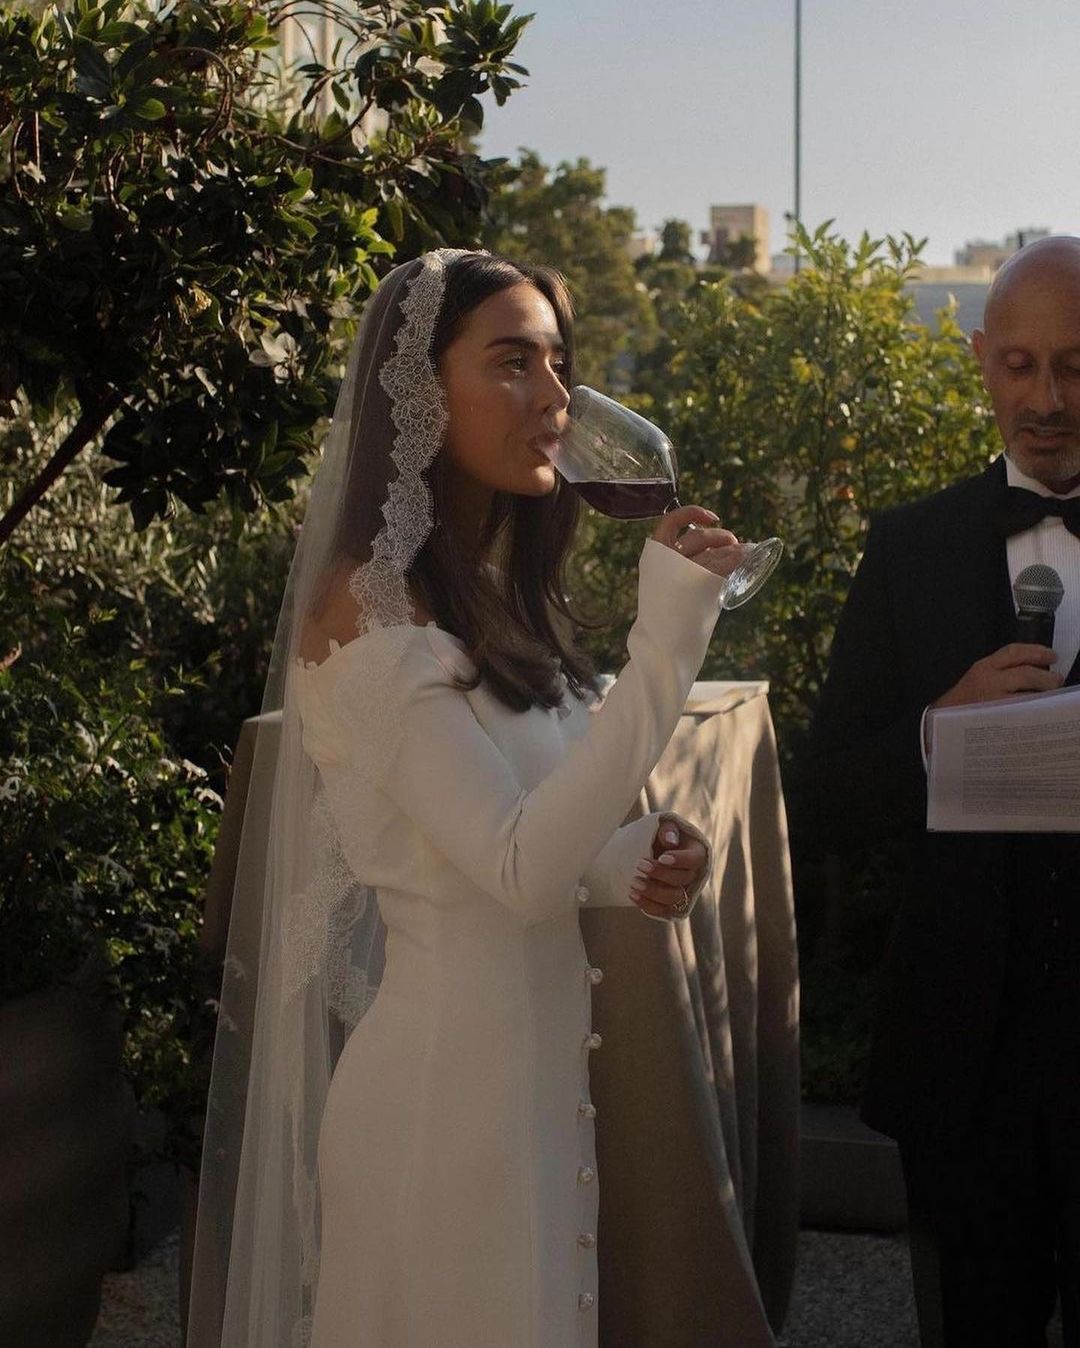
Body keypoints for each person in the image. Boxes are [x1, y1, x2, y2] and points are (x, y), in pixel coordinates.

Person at [186, 249, 743, 1347]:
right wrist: (670, 638)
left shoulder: (486, 596)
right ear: (419, 395)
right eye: (512, 363)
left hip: (530, 1104)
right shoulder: (366, 609)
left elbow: (533, 841)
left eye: (559, 363)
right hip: (443, 1119)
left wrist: (636, 855)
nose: (554, 397)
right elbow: (516, 869)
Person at [811, 235, 1080, 1346]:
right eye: (1019, 365)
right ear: (979, 361)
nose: (1047, 399)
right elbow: (822, 796)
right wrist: (938, 729)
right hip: (964, 1064)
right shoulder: (908, 549)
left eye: (1076, 366)